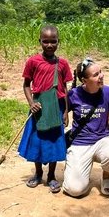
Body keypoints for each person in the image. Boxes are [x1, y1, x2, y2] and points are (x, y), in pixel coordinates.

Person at [18, 25, 73, 193]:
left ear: (58, 42)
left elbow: (65, 89)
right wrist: (31, 103)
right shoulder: (33, 61)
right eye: (45, 41)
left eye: (53, 41)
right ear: (40, 41)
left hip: (56, 107)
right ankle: (38, 173)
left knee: (54, 141)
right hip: (39, 108)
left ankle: (51, 176)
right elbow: (26, 85)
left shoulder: (62, 64)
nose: (49, 45)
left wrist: (66, 112)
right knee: (38, 140)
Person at [62, 58, 109, 197]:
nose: (101, 76)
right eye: (96, 75)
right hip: (80, 143)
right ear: (84, 80)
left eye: (100, 72)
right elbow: (62, 116)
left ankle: (106, 177)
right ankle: (75, 166)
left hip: (102, 139)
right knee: (75, 190)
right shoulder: (73, 95)